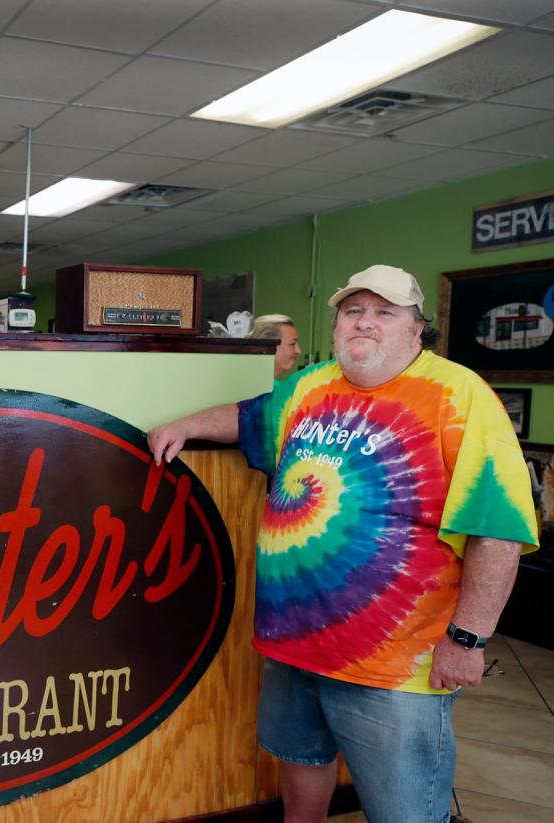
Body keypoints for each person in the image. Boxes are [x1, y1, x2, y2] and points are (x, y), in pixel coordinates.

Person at [148, 264, 538, 823]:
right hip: (293, 643)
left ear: (415, 328)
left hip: (395, 661)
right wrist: (185, 425)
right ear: (335, 326)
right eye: (353, 311)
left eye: (385, 312)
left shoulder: (460, 396)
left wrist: (469, 638)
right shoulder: (311, 385)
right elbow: (248, 419)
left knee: (406, 808)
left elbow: (497, 530)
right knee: (300, 762)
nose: (365, 323)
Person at [247, 313, 302, 379]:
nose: (298, 351)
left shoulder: (277, 387)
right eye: (292, 344)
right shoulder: (244, 384)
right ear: (267, 345)